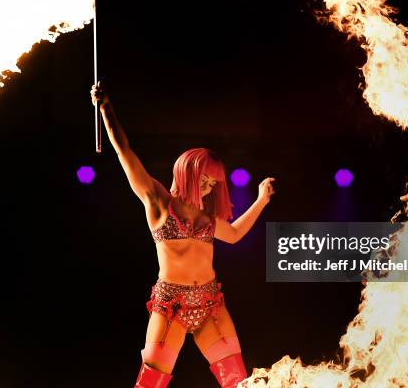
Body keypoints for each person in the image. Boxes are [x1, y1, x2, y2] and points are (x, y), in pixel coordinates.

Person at [90, 82, 275, 388]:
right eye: (204, 180)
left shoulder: (208, 217)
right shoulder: (158, 202)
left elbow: (234, 234)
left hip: (210, 305)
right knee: (150, 383)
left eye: (214, 184)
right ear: (188, 173)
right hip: (170, 306)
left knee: (238, 382)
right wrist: (106, 108)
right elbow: (124, 151)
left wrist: (260, 201)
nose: (209, 187)